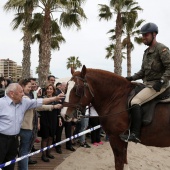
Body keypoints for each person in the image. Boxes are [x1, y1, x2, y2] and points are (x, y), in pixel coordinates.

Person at [120, 22, 170, 143]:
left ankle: (135, 134)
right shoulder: (146, 52)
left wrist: (162, 81)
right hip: (147, 83)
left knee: (135, 101)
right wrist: (130, 78)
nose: (143, 38)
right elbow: (143, 71)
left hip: (159, 85)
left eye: (146, 35)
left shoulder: (162, 49)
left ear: (154, 34)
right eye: (142, 35)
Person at [0, 83, 64, 170]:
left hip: (14, 140)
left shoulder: (24, 102)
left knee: (10, 163)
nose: (23, 94)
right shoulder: (1, 103)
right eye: (21, 92)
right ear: (12, 93)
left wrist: (55, 98)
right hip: (1, 139)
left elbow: (39, 101)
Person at [18, 79, 63, 170]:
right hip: (26, 128)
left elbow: (37, 106)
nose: (31, 88)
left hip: (29, 127)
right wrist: (54, 99)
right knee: (24, 151)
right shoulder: (24, 98)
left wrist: (53, 106)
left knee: (25, 150)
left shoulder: (27, 96)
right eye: (29, 86)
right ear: (22, 86)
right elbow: (37, 104)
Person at [38, 84, 62, 162]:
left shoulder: (56, 99)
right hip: (44, 120)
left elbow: (58, 111)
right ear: (45, 90)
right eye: (47, 88)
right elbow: (38, 111)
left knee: (51, 137)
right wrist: (38, 122)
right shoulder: (42, 99)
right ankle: (43, 155)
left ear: (53, 90)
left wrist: (59, 119)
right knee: (45, 137)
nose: (49, 90)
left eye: (51, 89)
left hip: (53, 120)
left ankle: (49, 152)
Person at [55, 82, 76, 154]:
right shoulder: (57, 93)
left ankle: (69, 145)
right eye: (65, 86)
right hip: (60, 115)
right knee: (59, 133)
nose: (66, 87)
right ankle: (58, 147)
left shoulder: (69, 94)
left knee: (68, 131)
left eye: (66, 86)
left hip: (68, 115)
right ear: (61, 86)